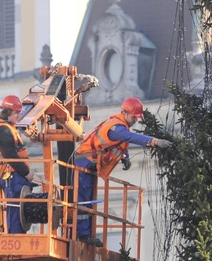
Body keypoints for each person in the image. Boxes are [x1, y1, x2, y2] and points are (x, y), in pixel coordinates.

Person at [73, 97, 172, 247]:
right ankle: (83, 235)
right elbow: (131, 137)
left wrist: (124, 157)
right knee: (83, 201)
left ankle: (85, 234)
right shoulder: (117, 128)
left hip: (88, 165)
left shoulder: (118, 125)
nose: (135, 121)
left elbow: (117, 145)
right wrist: (155, 141)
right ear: (125, 112)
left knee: (88, 200)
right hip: (83, 164)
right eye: (134, 117)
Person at [0, 94, 35, 234]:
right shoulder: (3, 130)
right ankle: (16, 238)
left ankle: (18, 235)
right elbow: (10, 155)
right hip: (11, 175)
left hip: (14, 175)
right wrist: (26, 172)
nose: (18, 116)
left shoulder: (9, 128)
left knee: (20, 209)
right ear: (7, 113)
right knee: (16, 207)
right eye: (16, 113)